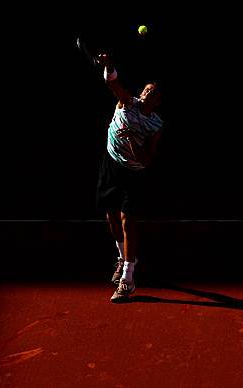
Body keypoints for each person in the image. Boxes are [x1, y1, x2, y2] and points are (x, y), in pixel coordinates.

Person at [94, 53, 163, 302]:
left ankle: (128, 279)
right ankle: (122, 257)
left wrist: (131, 140)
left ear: (157, 101)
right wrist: (110, 66)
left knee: (126, 222)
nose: (146, 93)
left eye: (152, 92)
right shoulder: (127, 102)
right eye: (145, 89)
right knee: (111, 218)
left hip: (134, 174)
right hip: (111, 164)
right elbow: (113, 83)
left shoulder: (155, 125)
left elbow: (145, 160)